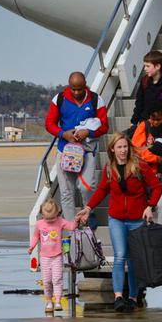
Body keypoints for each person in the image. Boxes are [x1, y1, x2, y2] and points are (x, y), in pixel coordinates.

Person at [76, 133, 162, 313]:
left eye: (125, 147)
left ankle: (132, 297)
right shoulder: (110, 169)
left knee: (132, 260)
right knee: (120, 255)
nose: (123, 150)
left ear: (129, 148)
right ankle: (118, 297)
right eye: (119, 147)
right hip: (116, 219)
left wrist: (150, 206)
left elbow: (157, 187)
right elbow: (101, 190)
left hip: (137, 220)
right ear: (112, 150)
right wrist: (89, 208)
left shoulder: (140, 167)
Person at [45, 71, 110, 221]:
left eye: (79, 89)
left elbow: (105, 126)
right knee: (67, 192)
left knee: (86, 187)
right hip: (65, 150)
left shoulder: (95, 99)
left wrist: (89, 132)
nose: (76, 92)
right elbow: (49, 124)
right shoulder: (59, 99)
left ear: (85, 85)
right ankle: (70, 226)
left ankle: (88, 215)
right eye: (73, 89)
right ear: (69, 86)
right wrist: (63, 134)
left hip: (87, 150)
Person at [28, 198, 78, 314]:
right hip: (44, 257)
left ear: (57, 213)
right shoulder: (40, 224)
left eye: (52, 218)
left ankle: (58, 301)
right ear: (42, 214)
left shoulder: (60, 221)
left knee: (57, 279)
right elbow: (36, 237)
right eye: (47, 218)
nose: (50, 220)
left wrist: (77, 220)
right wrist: (31, 246)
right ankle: (49, 301)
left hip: (57, 256)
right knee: (46, 281)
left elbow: (71, 227)